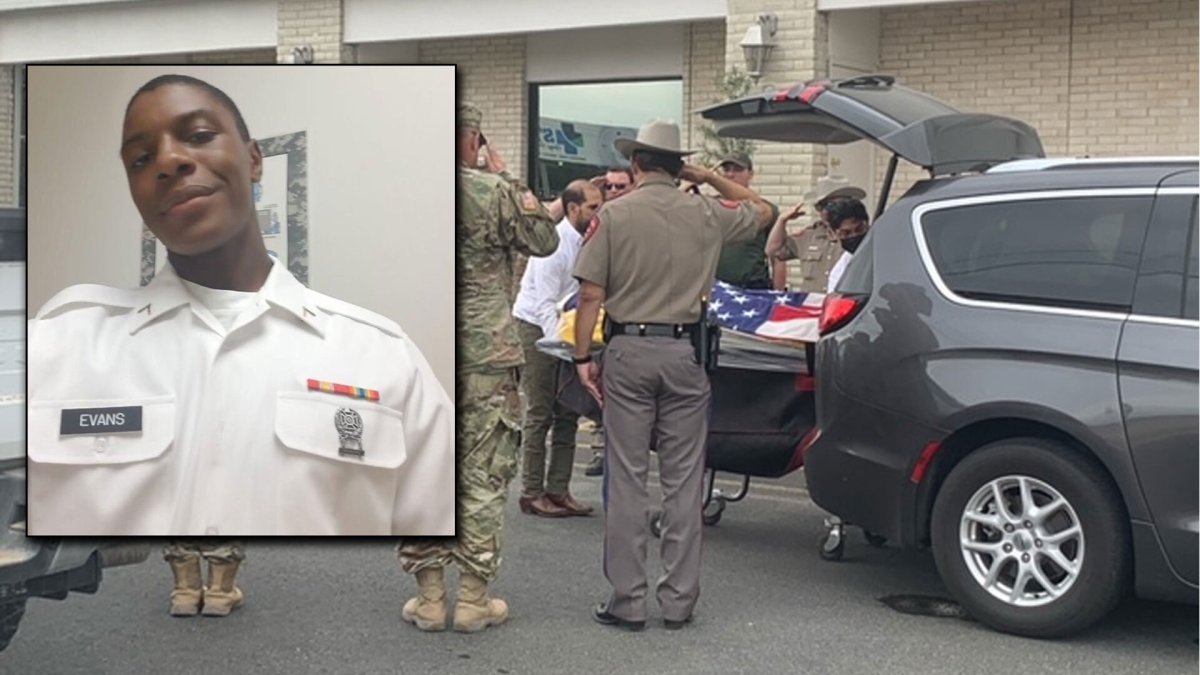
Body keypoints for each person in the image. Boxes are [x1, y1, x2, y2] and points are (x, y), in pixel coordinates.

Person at [28, 73, 456, 605]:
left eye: (200, 135)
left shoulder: (381, 356)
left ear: (255, 160)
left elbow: (433, 516)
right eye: (141, 159)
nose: (169, 161)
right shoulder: (58, 346)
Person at [572, 120, 773, 631]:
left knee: (627, 475)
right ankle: (679, 601)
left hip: (629, 351)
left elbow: (591, 293)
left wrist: (581, 357)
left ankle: (628, 601)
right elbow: (763, 210)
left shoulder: (614, 215)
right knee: (684, 480)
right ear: (677, 164)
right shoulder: (706, 211)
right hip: (686, 353)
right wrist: (706, 174)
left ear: (636, 165)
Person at [398, 103, 559, 633]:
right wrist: (504, 175)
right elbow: (544, 240)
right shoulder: (492, 192)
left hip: (417, 353)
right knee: (484, 473)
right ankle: (470, 599)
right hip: (487, 354)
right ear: (473, 141)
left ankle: (428, 597)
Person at [512, 179, 602, 518]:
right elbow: (545, 303)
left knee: (568, 411)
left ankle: (559, 490)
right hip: (538, 328)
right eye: (592, 207)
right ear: (573, 208)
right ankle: (531, 492)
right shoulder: (556, 244)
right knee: (540, 411)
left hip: (565, 330)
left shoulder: (588, 239)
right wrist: (560, 348)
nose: (598, 212)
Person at [765, 176, 866, 293]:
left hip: (845, 305)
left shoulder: (859, 235)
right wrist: (782, 220)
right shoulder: (808, 235)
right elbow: (773, 251)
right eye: (831, 205)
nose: (839, 210)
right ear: (820, 209)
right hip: (813, 306)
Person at [712, 152, 780, 290]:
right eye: (727, 170)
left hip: (752, 288)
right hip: (716, 289)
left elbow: (778, 257)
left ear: (750, 174)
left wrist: (779, 295)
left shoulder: (766, 210)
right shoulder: (710, 206)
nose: (731, 175)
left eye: (737, 170)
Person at [822, 197, 871, 292]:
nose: (854, 235)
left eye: (860, 229)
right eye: (846, 233)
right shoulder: (839, 272)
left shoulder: (884, 254)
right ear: (833, 234)